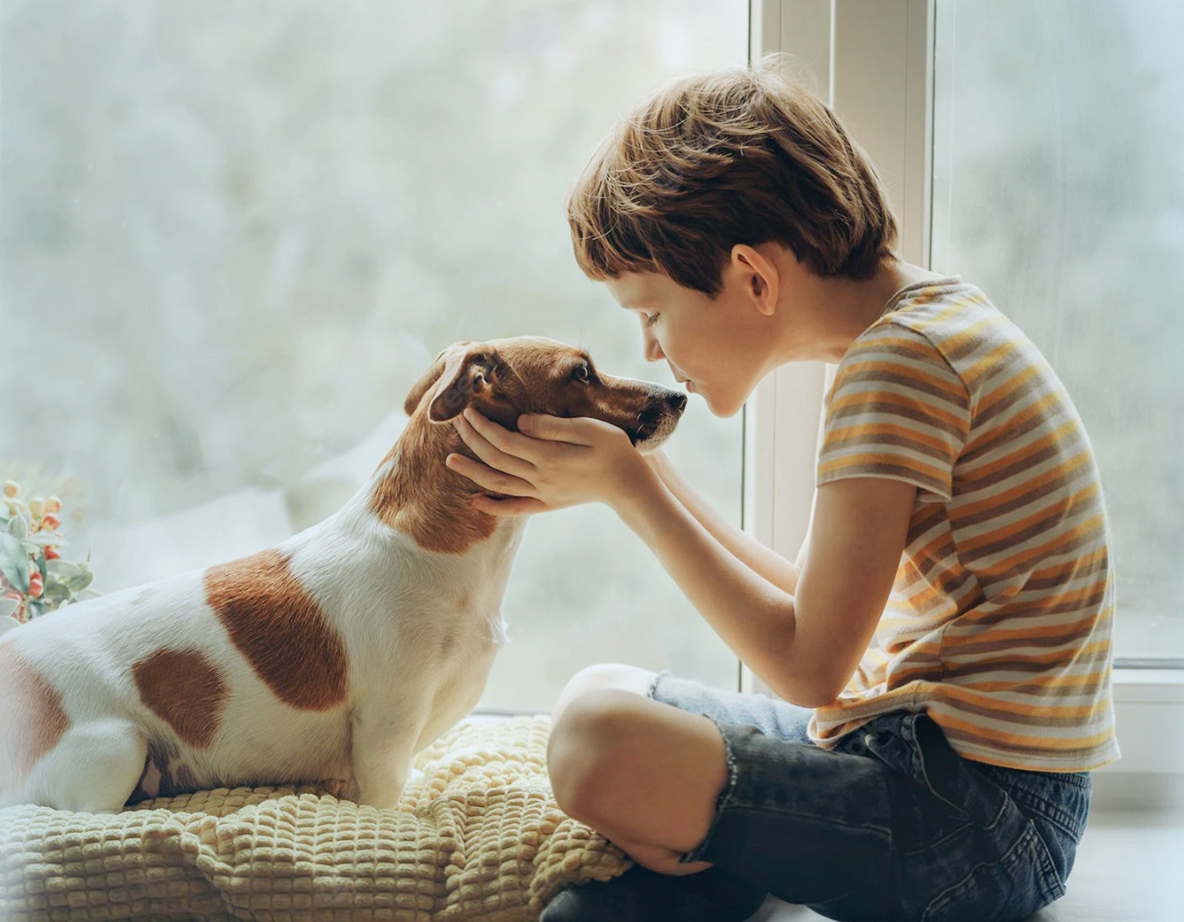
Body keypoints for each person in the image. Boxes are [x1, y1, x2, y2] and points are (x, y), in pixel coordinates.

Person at [444, 58, 1118, 922]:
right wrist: (643, 472)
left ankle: (721, 853)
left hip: (976, 823)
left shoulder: (900, 368)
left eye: (650, 313)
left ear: (754, 278)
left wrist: (634, 496)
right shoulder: (926, 327)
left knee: (592, 743)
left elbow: (808, 667)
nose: (651, 351)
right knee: (599, 691)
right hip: (925, 760)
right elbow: (816, 606)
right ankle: (738, 853)